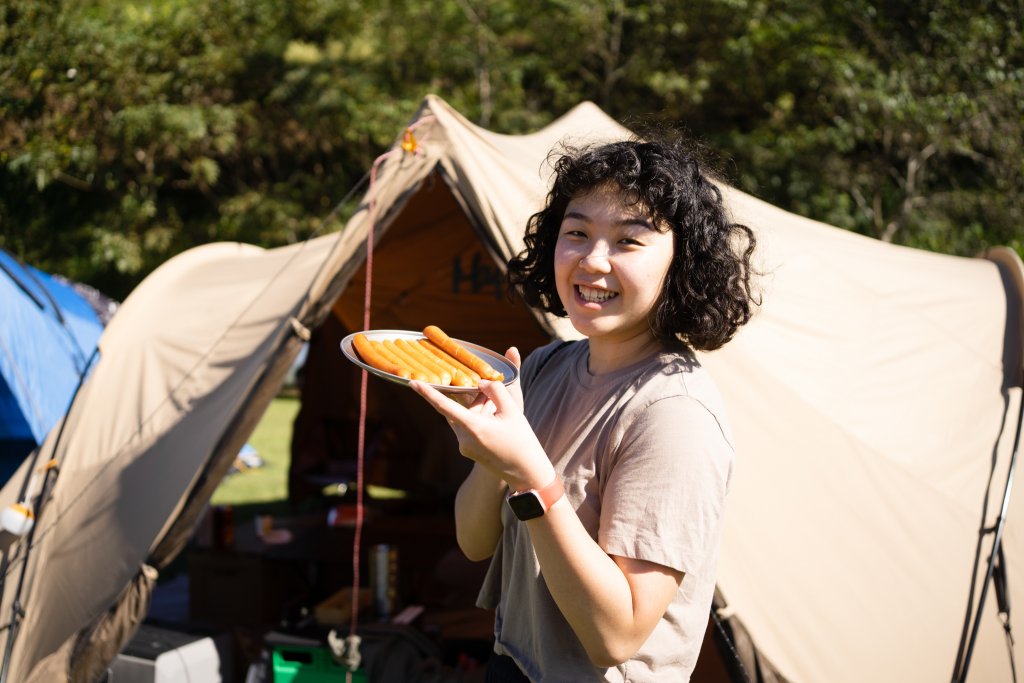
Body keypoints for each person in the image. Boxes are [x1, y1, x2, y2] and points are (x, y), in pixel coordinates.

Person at [410, 133, 758, 682]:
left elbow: (614, 638)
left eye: (628, 241)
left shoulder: (674, 414)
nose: (593, 260)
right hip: (514, 666)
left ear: (682, 263)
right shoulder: (545, 368)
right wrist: (488, 454)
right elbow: (474, 542)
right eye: (576, 233)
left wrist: (529, 473)